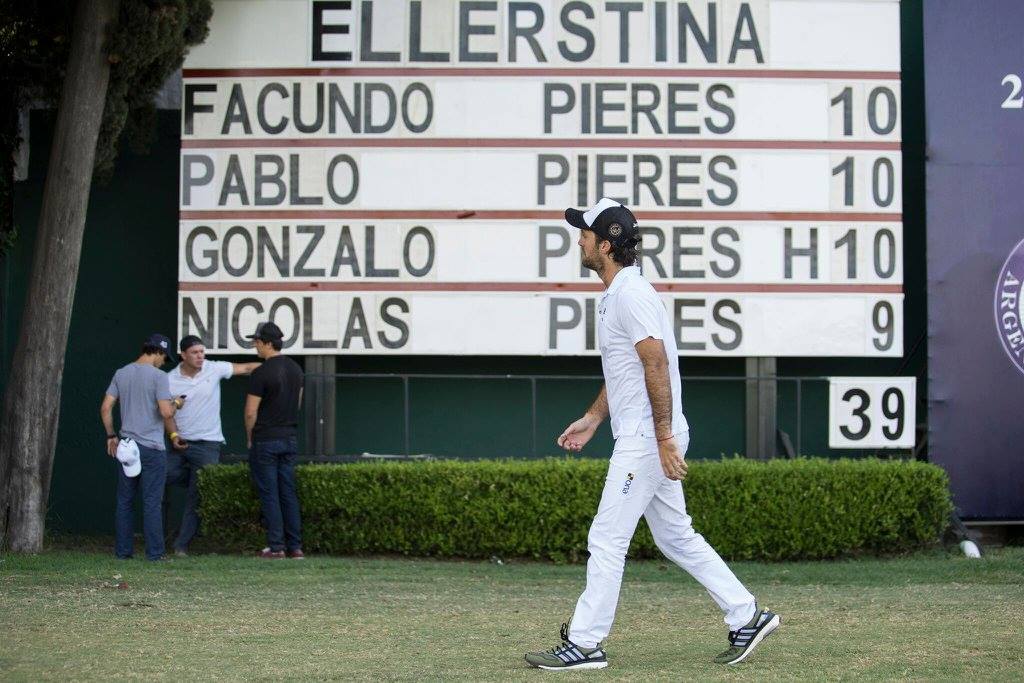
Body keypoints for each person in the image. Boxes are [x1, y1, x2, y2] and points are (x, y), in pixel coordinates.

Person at [525, 199, 780, 670]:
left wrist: (662, 438)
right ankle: (747, 615)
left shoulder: (630, 294)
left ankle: (584, 643)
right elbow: (626, 369)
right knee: (677, 538)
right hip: (646, 434)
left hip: (646, 439)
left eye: (584, 234)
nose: (578, 239)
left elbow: (655, 363)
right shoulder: (620, 292)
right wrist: (595, 417)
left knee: (606, 538)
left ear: (605, 244)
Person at [164, 335, 260, 556]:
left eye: (202, 352)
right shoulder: (169, 379)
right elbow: (166, 414)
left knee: (196, 494)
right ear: (183, 355)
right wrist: (173, 436)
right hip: (181, 444)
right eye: (195, 353)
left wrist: (274, 364)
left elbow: (245, 368)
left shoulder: (213, 369)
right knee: (165, 474)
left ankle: (181, 545)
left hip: (208, 444)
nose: (200, 356)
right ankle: (204, 480)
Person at [99, 333, 186, 561]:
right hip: (152, 447)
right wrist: (177, 402)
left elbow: (106, 408)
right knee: (151, 502)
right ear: (158, 352)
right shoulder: (159, 377)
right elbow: (166, 412)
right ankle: (155, 554)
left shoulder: (122, 372)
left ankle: (123, 552)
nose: (164, 362)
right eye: (164, 358)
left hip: (127, 446)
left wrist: (111, 436)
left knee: (125, 501)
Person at [244, 321, 304, 559]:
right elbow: (297, 402)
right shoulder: (296, 370)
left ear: (268, 343)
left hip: (266, 439)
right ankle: (295, 546)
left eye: (257, 342)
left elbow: (250, 412)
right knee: (288, 492)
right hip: (289, 436)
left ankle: (276, 546)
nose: (256, 346)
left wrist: (250, 436)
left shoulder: (261, 373)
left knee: (270, 493)